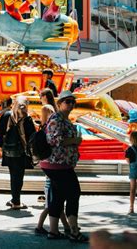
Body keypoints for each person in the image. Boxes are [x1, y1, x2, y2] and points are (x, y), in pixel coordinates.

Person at [40, 90, 87, 242]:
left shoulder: (63, 119)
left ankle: (53, 231)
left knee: (58, 197)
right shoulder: (57, 119)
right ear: (59, 103)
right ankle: (74, 230)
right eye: (67, 101)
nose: (71, 104)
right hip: (58, 164)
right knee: (74, 193)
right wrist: (74, 141)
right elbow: (53, 140)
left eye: (73, 102)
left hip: (60, 164)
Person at [0, 96, 36, 209]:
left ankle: (15, 199)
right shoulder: (27, 118)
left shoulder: (7, 115)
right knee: (19, 176)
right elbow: (32, 136)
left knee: (13, 175)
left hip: (8, 150)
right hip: (21, 152)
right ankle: (16, 201)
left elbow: (0, 133)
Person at [125, 131, 137, 214]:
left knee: (132, 189)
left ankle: (131, 207)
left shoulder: (129, 149)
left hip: (133, 170)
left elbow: (127, 160)